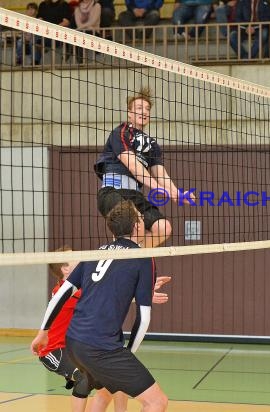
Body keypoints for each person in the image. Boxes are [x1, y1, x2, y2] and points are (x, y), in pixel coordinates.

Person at [31, 200, 168, 412]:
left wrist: (43, 332)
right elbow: (144, 318)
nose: (143, 221)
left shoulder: (93, 254)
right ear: (137, 226)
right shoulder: (142, 258)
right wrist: (128, 353)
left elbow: (60, 295)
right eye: (141, 218)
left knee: (107, 391)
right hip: (100, 348)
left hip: (74, 344)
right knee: (157, 402)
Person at [94, 87, 191, 248]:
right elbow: (133, 165)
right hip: (112, 191)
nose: (144, 112)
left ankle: (132, 255)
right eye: (139, 108)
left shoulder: (152, 145)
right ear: (130, 113)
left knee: (163, 228)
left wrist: (176, 193)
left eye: (147, 109)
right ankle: (122, 259)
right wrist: (159, 188)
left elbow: (161, 173)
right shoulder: (121, 132)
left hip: (134, 195)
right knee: (134, 223)